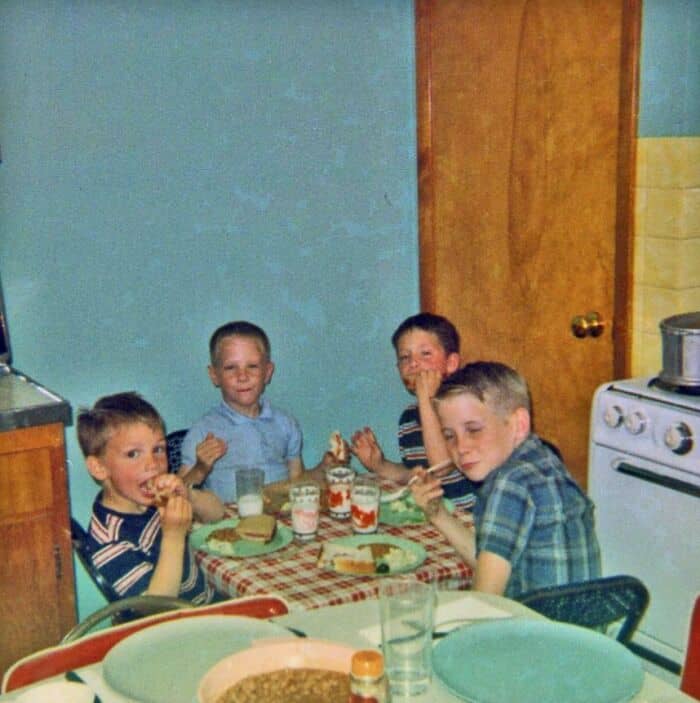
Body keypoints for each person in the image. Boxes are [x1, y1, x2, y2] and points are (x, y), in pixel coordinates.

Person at [411, 361, 601, 598]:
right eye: (449, 436)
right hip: (572, 620)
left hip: (535, 621)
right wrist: (437, 513)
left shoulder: (511, 483)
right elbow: (490, 563)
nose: (461, 447)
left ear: (518, 425)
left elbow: (485, 598)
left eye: (474, 430)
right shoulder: (541, 461)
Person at [77, 392, 224, 603]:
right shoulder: (109, 542)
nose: (153, 464)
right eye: (133, 454)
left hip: (207, 601)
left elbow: (218, 514)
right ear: (98, 467)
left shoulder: (152, 499)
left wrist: (188, 494)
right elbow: (156, 609)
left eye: (158, 449)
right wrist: (173, 536)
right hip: (184, 620)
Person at [178, 320, 339, 500]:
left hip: (281, 514)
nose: (242, 376)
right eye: (231, 368)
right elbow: (176, 494)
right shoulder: (203, 431)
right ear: (214, 375)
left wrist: (322, 469)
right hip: (227, 516)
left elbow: (297, 482)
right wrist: (200, 469)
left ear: (268, 372)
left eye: (252, 366)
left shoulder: (285, 424)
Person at [351, 313, 480, 507]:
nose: (413, 363)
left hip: (468, 519)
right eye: (405, 357)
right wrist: (380, 465)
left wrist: (426, 400)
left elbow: (440, 467)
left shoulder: (464, 410)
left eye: (425, 353)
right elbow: (419, 475)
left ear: (451, 363)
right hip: (432, 516)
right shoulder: (409, 419)